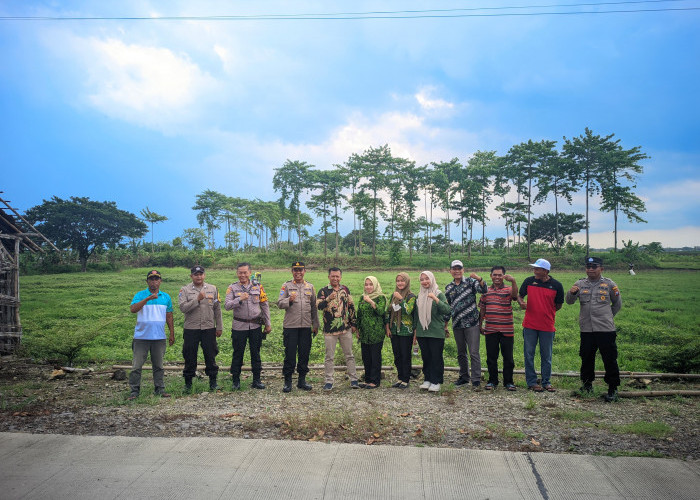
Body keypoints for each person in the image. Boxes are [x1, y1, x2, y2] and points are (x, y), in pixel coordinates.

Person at [565, 257, 623, 402]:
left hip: (605, 329)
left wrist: (607, 317)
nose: (590, 269)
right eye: (588, 266)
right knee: (586, 358)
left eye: (594, 267)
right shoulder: (579, 284)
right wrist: (571, 293)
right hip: (587, 329)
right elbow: (569, 302)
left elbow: (617, 304)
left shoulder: (609, 284)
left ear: (601, 269)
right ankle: (586, 385)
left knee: (609, 359)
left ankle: (612, 388)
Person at [518, 258, 565, 393]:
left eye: (537, 269)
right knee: (529, 354)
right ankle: (532, 382)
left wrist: (546, 312)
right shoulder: (528, 281)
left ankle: (546, 382)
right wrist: (521, 302)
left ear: (545, 271)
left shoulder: (557, 285)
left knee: (546, 355)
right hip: (530, 325)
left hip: (547, 326)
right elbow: (520, 296)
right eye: (534, 268)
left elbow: (558, 305)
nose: (535, 271)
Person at [128, 270, 175, 400]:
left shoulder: (166, 297)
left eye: (156, 279)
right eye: (151, 279)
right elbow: (133, 309)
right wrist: (147, 298)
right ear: (147, 281)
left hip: (159, 338)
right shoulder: (140, 295)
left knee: (159, 366)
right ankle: (134, 391)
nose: (154, 281)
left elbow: (169, 316)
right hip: (141, 337)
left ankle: (160, 389)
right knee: (136, 366)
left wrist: (172, 333)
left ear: (160, 281)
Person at [225, 262, 271, 390]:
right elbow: (227, 306)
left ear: (250, 273)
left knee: (256, 354)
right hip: (239, 326)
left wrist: (268, 323)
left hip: (256, 326)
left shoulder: (258, 287)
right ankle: (236, 381)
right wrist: (239, 299)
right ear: (237, 273)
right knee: (237, 353)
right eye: (240, 272)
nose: (243, 275)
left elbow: (264, 305)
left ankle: (256, 380)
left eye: (245, 272)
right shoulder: (232, 288)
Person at [178, 265, 223, 392]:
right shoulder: (185, 290)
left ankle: (213, 382)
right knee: (189, 355)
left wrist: (219, 326)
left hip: (208, 328)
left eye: (201, 274)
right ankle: (188, 384)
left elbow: (217, 309)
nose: (198, 276)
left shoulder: (212, 289)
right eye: (196, 274)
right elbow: (183, 308)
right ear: (191, 276)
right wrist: (196, 300)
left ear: (204, 275)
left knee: (210, 355)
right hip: (191, 329)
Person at [444, 259, 487, 388]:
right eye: (454, 269)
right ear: (450, 271)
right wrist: (445, 324)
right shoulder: (449, 287)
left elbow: (484, 290)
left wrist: (479, 278)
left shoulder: (471, 282)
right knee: (461, 352)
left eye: (459, 269)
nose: (457, 271)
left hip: (472, 323)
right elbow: (448, 307)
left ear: (463, 270)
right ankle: (464, 377)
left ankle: (476, 379)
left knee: (474, 352)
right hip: (457, 324)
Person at [277, 261, 319, 393]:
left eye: (300, 270)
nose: (298, 272)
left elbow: (313, 307)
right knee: (289, 354)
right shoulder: (286, 286)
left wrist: (315, 324)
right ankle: (287, 382)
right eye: (295, 270)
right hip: (291, 326)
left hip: (306, 326)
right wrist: (288, 300)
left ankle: (302, 380)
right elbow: (279, 303)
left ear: (304, 271)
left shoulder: (310, 287)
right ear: (292, 272)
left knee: (304, 354)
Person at [317, 267, 359, 391]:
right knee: (329, 356)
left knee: (349, 355)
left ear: (340, 277)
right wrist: (328, 299)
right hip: (330, 330)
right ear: (328, 277)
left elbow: (351, 306)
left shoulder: (345, 289)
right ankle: (329, 380)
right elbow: (319, 306)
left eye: (337, 276)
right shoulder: (323, 291)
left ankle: (354, 379)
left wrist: (354, 323)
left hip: (345, 328)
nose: (335, 278)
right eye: (333, 276)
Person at [479, 266, 518, 391]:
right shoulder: (486, 291)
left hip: (507, 330)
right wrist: (480, 325)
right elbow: (482, 309)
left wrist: (513, 281)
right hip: (490, 329)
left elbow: (515, 296)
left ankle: (509, 382)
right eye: (494, 275)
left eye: (500, 275)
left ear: (504, 276)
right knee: (491, 357)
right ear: (491, 276)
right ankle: (492, 381)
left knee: (508, 358)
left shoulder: (509, 289)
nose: (497, 277)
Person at [415, 271, 451, 393]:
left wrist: (435, 299)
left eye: (427, 279)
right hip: (422, 332)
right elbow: (416, 316)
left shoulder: (439, 294)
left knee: (436, 357)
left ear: (432, 279)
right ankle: (427, 379)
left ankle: (436, 381)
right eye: (422, 279)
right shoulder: (419, 296)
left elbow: (447, 310)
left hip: (435, 332)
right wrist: (415, 332)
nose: (424, 281)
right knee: (426, 357)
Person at [386, 272, 418, 389]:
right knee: (397, 355)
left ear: (407, 282)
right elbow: (388, 311)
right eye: (398, 281)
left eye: (402, 281)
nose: (400, 283)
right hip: (394, 331)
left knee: (405, 355)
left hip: (406, 331)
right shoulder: (393, 295)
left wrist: (401, 300)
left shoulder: (411, 296)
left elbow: (409, 311)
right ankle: (400, 378)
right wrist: (388, 327)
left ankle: (406, 379)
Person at [356, 276, 387, 389]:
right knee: (366, 357)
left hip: (376, 332)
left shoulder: (380, 297)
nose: (368, 286)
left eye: (370, 284)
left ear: (375, 285)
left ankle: (375, 381)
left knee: (375, 357)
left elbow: (381, 311)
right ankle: (367, 379)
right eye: (366, 284)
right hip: (365, 333)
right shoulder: (362, 297)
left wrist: (371, 301)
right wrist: (358, 329)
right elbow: (359, 314)